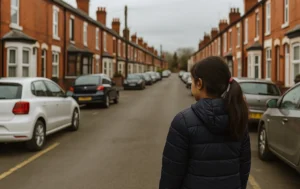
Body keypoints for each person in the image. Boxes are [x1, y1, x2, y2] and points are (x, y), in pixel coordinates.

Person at [159, 56, 251, 189]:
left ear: (199, 83)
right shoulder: (238, 118)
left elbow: (171, 176)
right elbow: (244, 170)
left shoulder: (182, 122)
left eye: (192, 80)